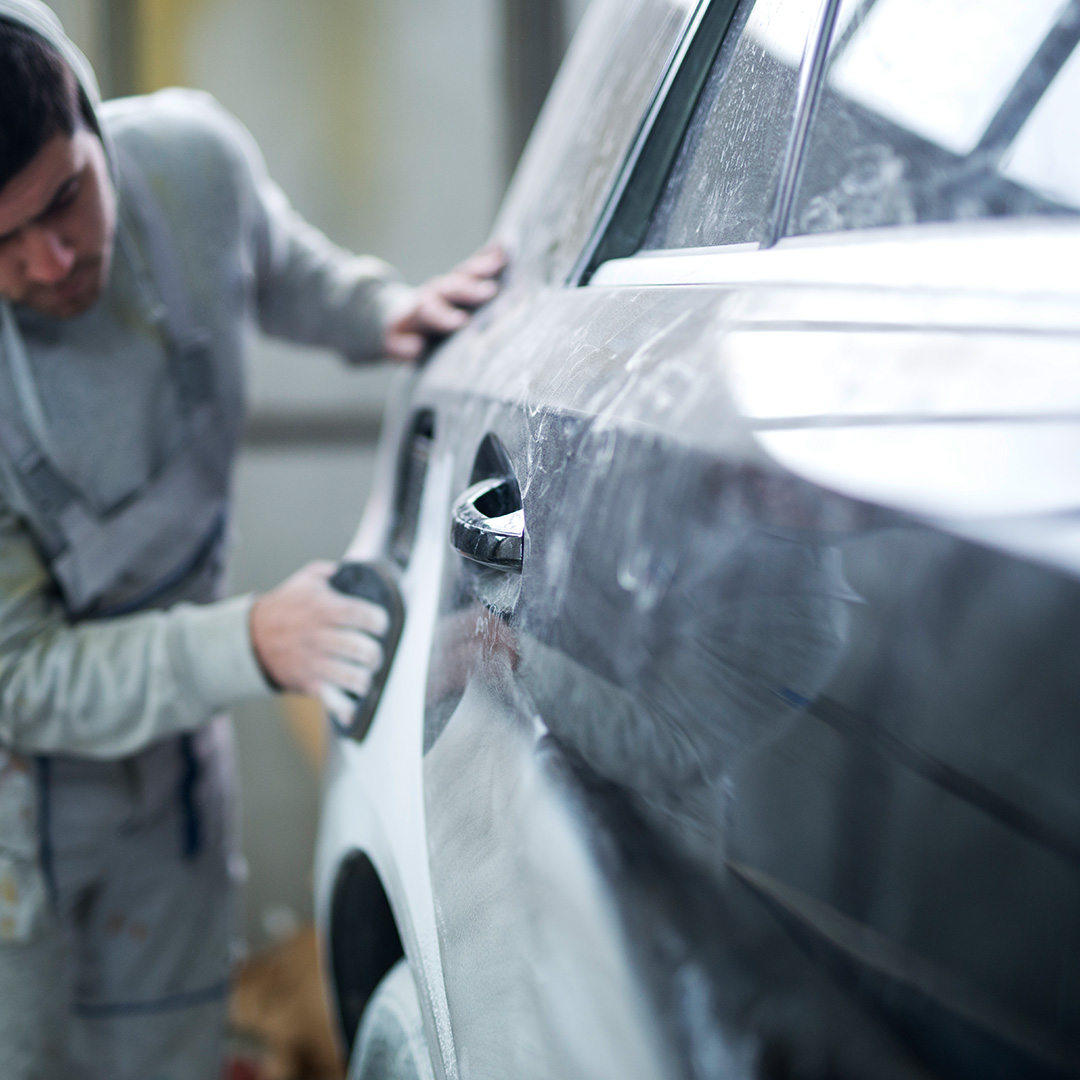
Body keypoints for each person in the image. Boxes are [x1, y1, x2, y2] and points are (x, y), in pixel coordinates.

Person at [0, 2, 505, 1077]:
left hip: (170, 781)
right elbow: (20, 675)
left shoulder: (192, 165)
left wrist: (380, 312)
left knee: (170, 1051)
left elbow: (270, 264)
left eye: (65, 198)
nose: (50, 260)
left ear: (91, 115)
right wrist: (252, 642)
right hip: (15, 819)